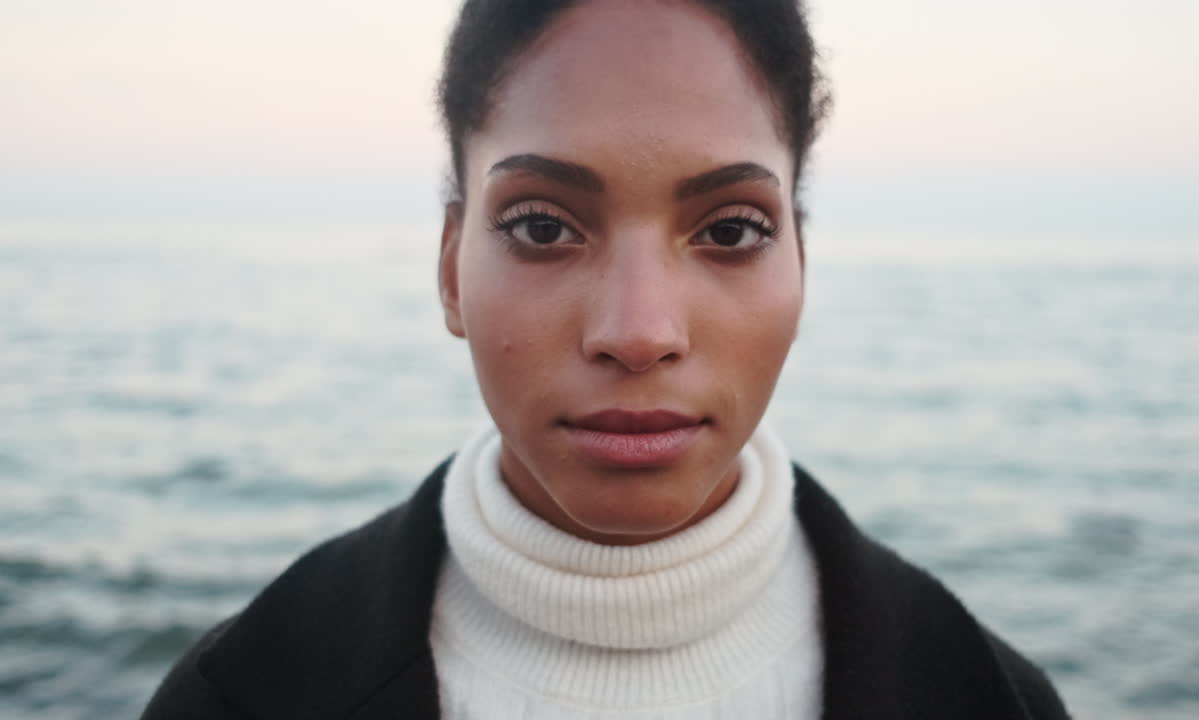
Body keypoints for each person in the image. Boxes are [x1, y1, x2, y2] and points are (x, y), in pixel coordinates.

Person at [142, 1, 1070, 718]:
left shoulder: (998, 701)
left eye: (732, 230)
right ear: (451, 272)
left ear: (801, 265)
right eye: (543, 226)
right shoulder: (241, 696)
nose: (637, 330)